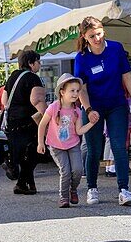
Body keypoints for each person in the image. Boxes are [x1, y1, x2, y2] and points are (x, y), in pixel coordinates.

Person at [74, 16, 131, 206]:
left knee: (119, 146)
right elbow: (82, 87)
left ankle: (124, 190)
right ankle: (92, 188)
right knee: (94, 149)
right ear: (84, 37)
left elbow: (126, 75)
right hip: (92, 106)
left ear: (103, 31)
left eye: (99, 33)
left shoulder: (116, 48)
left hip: (116, 104)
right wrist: (88, 109)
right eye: (92, 36)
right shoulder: (81, 58)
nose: (97, 39)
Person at [37, 74, 100, 207]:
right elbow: (42, 125)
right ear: (62, 92)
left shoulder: (77, 111)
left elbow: (79, 131)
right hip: (56, 145)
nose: (76, 93)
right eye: (72, 90)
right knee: (65, 171)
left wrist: (91, 124)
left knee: (77, 170)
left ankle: (73, 189)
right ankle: (63, 197)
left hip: (73, 144)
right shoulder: (53, 107)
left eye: (78, 91)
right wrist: (40, 143)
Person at [3, 50, 47, 195]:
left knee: (22, 154)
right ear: (30, 63)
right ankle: (22, 183)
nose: (39, 65)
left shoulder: (13, 76)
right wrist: (49, 116)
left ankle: (30, 184)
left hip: (12, 121)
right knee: (36, 151)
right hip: (28, 120)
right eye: (38, 61)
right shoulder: (33, 78)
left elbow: (4, 100)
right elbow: (37, 100)